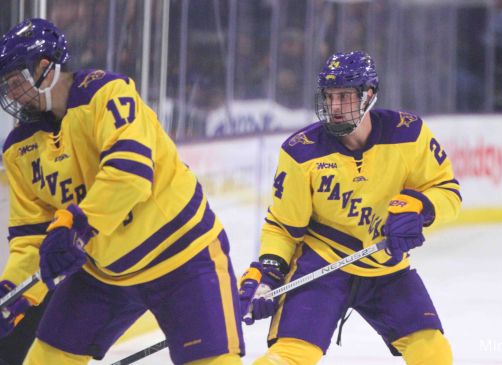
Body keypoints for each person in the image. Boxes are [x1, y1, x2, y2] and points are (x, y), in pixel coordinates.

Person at [0, 18, 244, 365]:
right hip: (104, 274)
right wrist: (13, 293)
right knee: (45, 360)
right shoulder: (20, 147)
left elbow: (130, 174)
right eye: (5, 85)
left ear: (44, 69)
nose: (10, 93)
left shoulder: (107, 93)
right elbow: (31, 237)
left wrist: (75, 224)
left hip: (183, 257)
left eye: (15, 81)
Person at [239, 50, 461, 365]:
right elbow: (283, 226)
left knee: (434, 354)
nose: (335, 107)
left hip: (387, 269)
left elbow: (448, 192)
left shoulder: (408, 134)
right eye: (329, 97)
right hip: (320, 267)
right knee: (289, 356)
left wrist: (419, 208)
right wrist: (269, 273)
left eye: (344, 96)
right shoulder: (301, 152)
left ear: (369, 95)